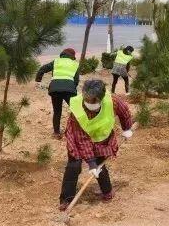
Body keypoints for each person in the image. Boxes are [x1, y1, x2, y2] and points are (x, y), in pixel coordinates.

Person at [59, 79, 134, 210]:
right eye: (86, 100)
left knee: (100, 165)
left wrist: (127, 128)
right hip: (78, 136)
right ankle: (66, 199)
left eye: (93, 101)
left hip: (101, 137)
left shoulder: (113, 101)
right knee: (74, 164)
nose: (89, 104)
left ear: (101, 98)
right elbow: (82, 140)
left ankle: (107, 192)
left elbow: (125, 112)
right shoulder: (78, 111)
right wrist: (90, 163)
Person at [35, 48, 80, 139]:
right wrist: (72, 88)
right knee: (77, 110)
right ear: (72, 56)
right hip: (69, 90)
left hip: (54, 89)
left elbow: (42, 69)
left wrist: (38, 79)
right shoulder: (75, 64)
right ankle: (76, 132)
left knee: (57, 111)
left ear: (62, 54)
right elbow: (76, 81)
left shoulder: (56, 62)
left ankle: (56, 133)